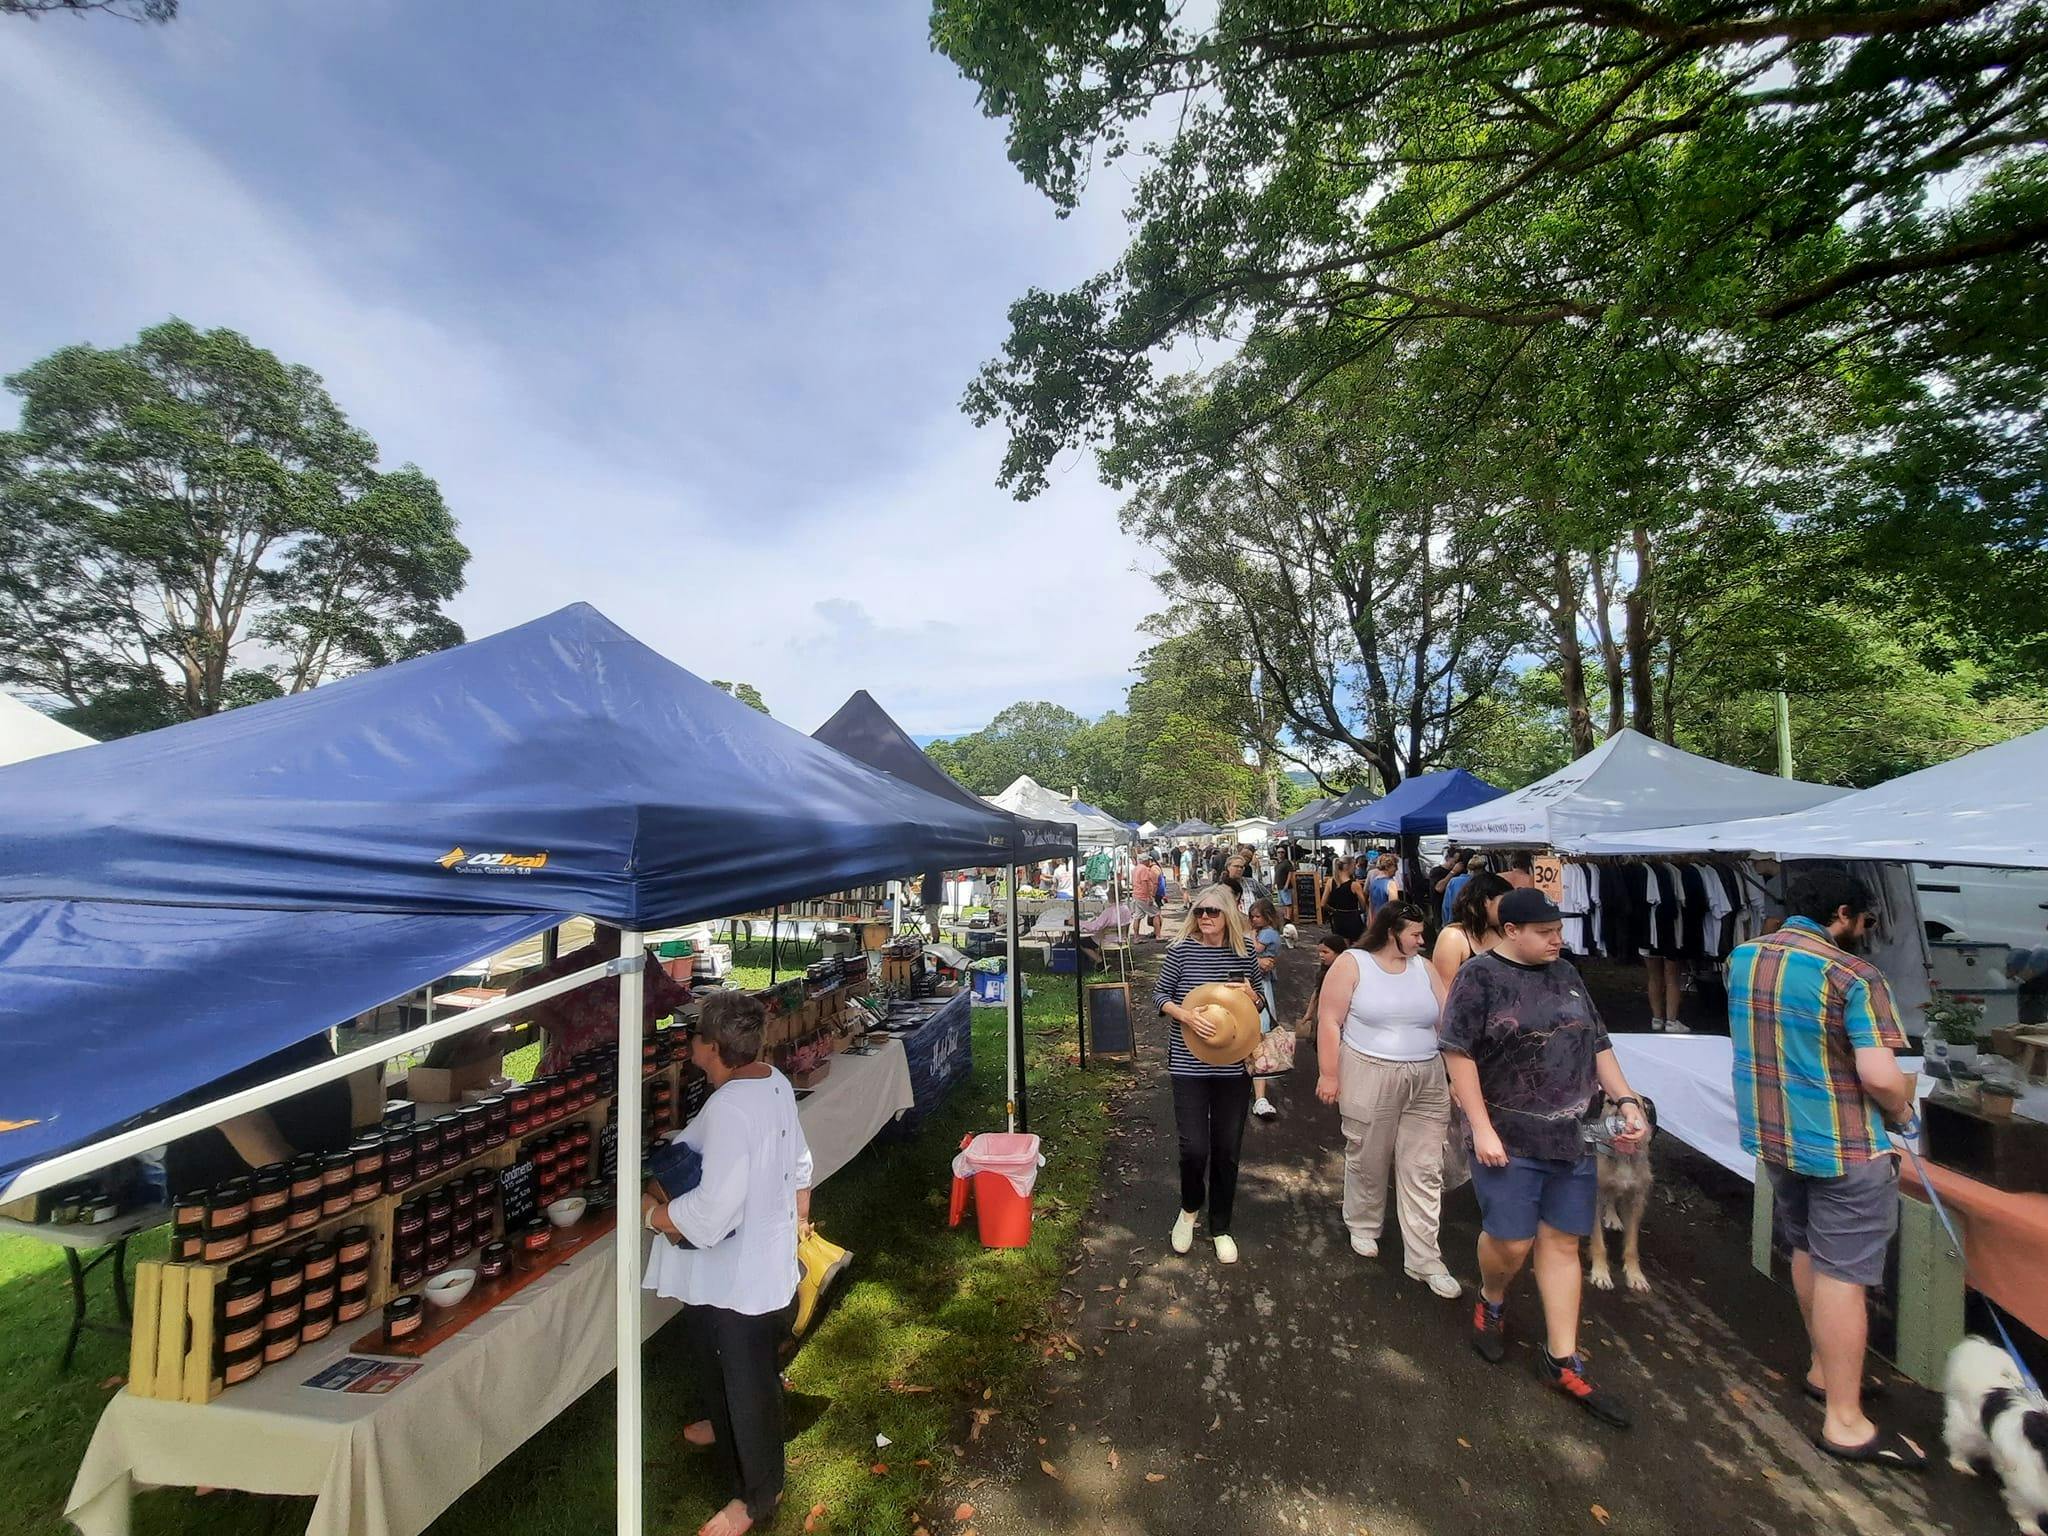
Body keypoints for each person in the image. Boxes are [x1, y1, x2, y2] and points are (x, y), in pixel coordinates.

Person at [1728, 869, 1920, 1468]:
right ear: (1842, 913)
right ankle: (1845, 1420)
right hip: (1846, 1148)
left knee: (1809, 1250)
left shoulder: (1743, 958)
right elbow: (1881, 1075)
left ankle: (1822, 1366)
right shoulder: (1855, 976)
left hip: (1776, 1139)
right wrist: (1904, 1110)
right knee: (1847, 1274)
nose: (1865, 934)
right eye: (1864, 922)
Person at [1439, 888, 1650, 1428]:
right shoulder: (1479, 977)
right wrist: (1479, 1126)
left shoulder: (1568, 974)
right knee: (1512, 1241)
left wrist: (1625, 1100)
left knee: (1562, 1243)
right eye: (1546, 932)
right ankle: (1491, 1296)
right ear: (1512, 931)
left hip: (1572, 1136)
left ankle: (1562, 1358)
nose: (1559, 940)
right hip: (1507, 1137)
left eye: (1559, 931)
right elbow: (1457, 1052)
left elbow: (1597, 1044)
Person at [644, 991, 814, 1536]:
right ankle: (722, 1424)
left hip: (742, 1271)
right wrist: (798, 1220)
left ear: (712, 1048)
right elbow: (800, 1161)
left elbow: (713, 1212)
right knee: (715, 1351)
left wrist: (653, 1216)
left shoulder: (729, 1109)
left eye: (695, 1038)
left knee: (748, 1379)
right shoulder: (775, 1082)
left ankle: (758, 1493)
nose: (691, 1046)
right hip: (752, 1259)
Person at [1315, 900, 1460, 1298]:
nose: (1421, 940)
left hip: (1426, 1075)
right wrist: (1329, 1073)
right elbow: (1330, 1020)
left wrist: (1457, 1076)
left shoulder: (1425, 968)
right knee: (1369, 1154)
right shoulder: (1352, 964)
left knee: (1425, 1167)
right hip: (1369, 1070)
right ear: (1391, 931)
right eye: (1415, 933)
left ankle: (1424, 1256)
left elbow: (1446, 1022)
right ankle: (1363, 1223)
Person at [1152, 884, 1261, 1264]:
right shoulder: (1180, 952)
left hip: (1233, 1065)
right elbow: (1159, 996)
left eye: (1213, 912)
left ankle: (1221, 1225)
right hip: (1188, 1063)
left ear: (1228, 914)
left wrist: (1252, 995)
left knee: (1227, 1148)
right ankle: (1189, 1208)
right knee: (1194, 1146)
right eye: (1199, 912)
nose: (1205, 918)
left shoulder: (1243, 954)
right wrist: (1185, 1014)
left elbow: (1259, 1002)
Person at [1431, 870, 1511, 990]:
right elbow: (1444, 992)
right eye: (1504, 902)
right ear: (1485, 902)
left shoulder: (1502, 931)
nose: (1508, 908)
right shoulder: (1453, 937)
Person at [1248, 896, 1286, 1119]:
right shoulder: (1267, 932)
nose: (1253, 920)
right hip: (1260, 979)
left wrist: (1251, 938)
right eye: (1251, 917)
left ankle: (1260, 1093)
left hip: (1261, 983)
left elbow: (1255, 950)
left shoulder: (1266, 933)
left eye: (1257, 916)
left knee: (1261, 1030)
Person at [1324, 856, 1367, 945]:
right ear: (1349, 867)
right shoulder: (1355, 885)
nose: (1355, 867)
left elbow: (1322, 903)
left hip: (1338, 918)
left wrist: (1333, 910)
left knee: (1342, 946)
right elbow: (1363, 906)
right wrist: (1360, 911)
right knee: (1357, 947)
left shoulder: (1330, 882)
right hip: (1353, 918)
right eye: (1354, 865)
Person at [1131, 852, 1164, 941]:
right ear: (1145, 861)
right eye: (1148, 860)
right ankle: (1158, 936)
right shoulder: (1144, 869)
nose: (1149, 861)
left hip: (1136, 895)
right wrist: (1150, 897)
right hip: (1143, 895)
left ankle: (1136, 937)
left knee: (1137, 917)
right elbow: (1145, 883)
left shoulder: (1135, 869)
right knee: (1156, 914)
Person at [1439, 853, 1475, 928]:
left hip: (1454, 924)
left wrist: (1445, 924)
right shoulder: (1482, 881)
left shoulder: (1454, 882)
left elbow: (1446, 906)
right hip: (1475, 925)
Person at [1366, 852, 1401, 918]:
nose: (1397, 869)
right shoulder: (1390, 884)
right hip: (1386, 922)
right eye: (1395, 865)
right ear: (1388, 867)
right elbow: (1394, 908)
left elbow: (1371, 905)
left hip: (1375, 920)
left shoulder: (1374, 882)